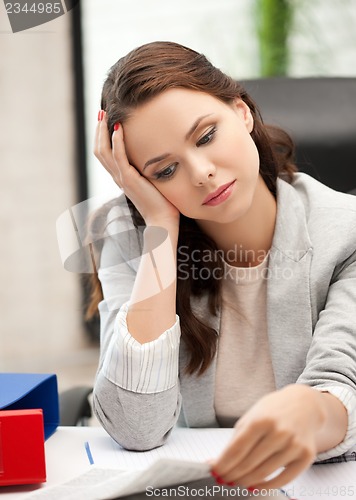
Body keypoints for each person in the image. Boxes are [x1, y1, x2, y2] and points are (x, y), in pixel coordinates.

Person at [89, 41, 356, 491]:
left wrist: (312, 412)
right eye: (164, 170)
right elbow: (136, 428)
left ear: (242, 112)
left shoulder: (346, 233)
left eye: (206, 136)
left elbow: (344, 382)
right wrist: (159, 226)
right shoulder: (130, 235)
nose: (200, 173)